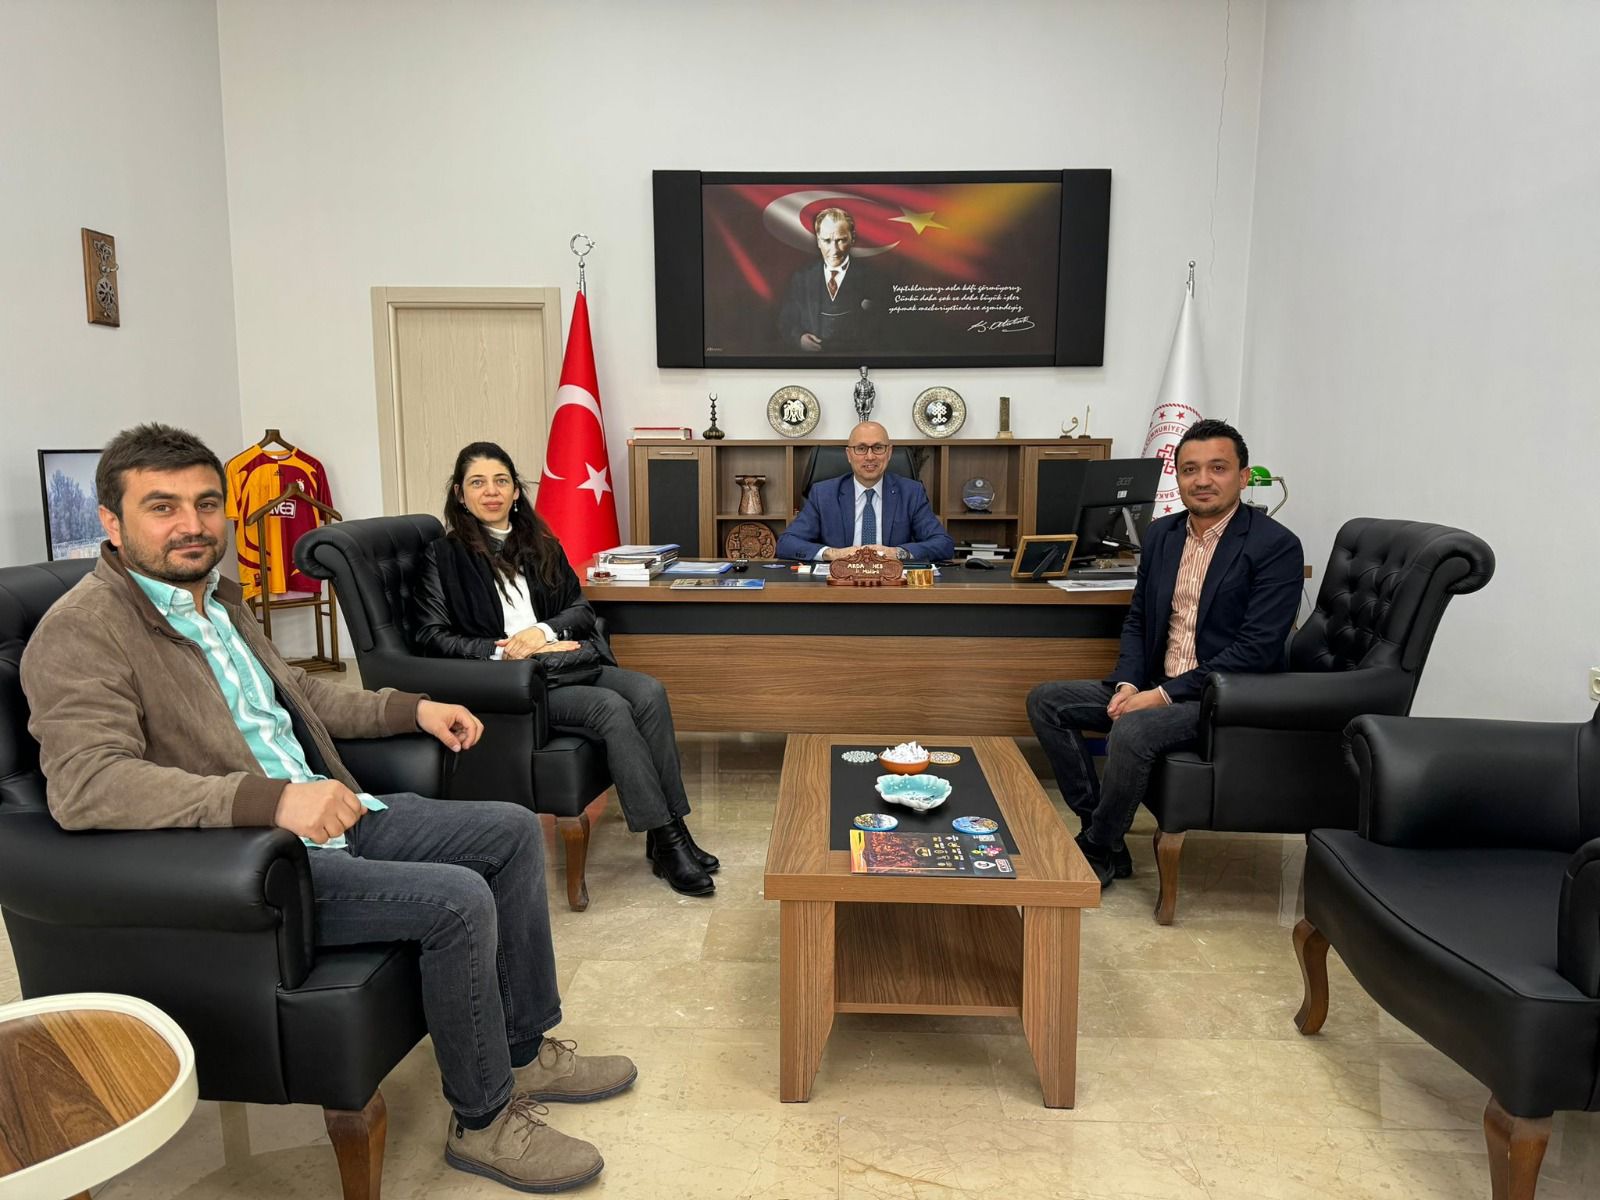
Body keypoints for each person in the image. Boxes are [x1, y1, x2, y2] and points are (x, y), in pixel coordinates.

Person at [20, 424, 635, 1194]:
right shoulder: (81, 632)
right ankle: (483, 1123)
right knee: (456, 899)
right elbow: (89, 785)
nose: (192, 525)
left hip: (343, 814)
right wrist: (273, 800)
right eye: (162, 507)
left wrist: (410, 708)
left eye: (207, 504)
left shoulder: (219, 600)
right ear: (112, 522)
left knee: (510, 830)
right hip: (262, 864)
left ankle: (523, 1048)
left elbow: (300, 696)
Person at [412, 441, 718, 898]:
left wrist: (542, 631)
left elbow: (579, 609)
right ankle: (668, 841)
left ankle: (670, 831)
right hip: (512, 682)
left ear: (517, 491)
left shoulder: (541, 544)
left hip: (565, 662)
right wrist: (504, 651)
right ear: (460, 494)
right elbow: (431, 635)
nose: (491, 491)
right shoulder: (442, 556)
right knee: (611, 708)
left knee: (649, 691)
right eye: (477, 483)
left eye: (501, 481)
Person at [1026, 419, 1304, 887]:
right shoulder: (1161, 535)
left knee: (1133, 728)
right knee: (1047, 701)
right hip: (1156, 681)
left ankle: (1097, 848)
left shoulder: (1275, 546)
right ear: (1178, 478)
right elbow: (1139, 619)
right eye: (1190, 469)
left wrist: (1159, 697)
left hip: (1222, 699)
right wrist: (1129, 683)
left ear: (1242, 476)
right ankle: (1102, 829)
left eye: (1218, 468)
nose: (1202, 480)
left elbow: (1255, 651)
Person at [775, 421, 956, 563]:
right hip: (839, 584)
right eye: (861, 448)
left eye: (878, 448)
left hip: (892, 583)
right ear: (849, 454)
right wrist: (834, 554)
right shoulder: (823, 494)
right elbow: (786, 543)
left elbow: (943, 544)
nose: (870, 456)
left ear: (889, 453)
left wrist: (898, 553)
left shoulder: (911, 492)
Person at [777, 206, 888, 353]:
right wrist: (799, 338)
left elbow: (885, 328)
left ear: (852, 238)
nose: (834, 250)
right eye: (827, 240)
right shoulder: (802, 278)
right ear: (818, 241)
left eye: (841, 240)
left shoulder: (873, 278)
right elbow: (787, 321)